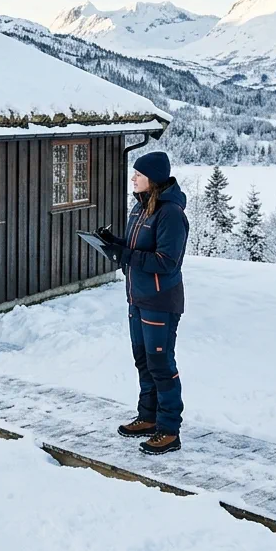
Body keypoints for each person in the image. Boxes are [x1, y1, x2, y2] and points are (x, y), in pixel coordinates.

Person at [110, 151, 188, 455]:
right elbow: (136, 248)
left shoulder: (170, 213)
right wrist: (114, 245)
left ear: (152, 180)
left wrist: (126, 255)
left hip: (160, 299)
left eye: (138, 175)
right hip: (137, 296)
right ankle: (148, 416)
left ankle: (169, 430)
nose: (133, 179)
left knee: (161, 363)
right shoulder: (140, 208)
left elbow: (167, 262)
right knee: (143, 359)